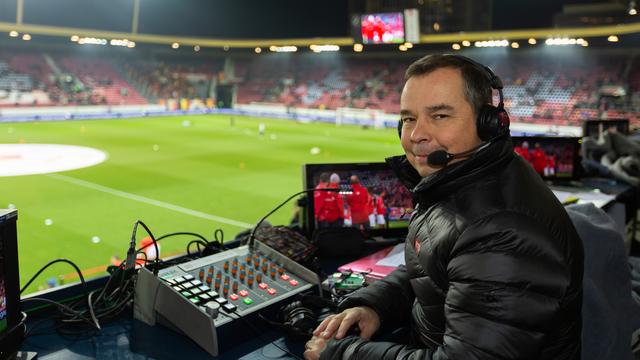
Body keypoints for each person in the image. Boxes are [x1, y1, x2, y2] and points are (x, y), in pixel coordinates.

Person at [304, 54, 583, 359]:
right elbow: (434, 268)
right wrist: (374, 305)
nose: (415, 135)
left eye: (439, 116)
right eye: (409, 118)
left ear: (488, 123)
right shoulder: (465, 178)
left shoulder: (502, 230)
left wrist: (344, 354)